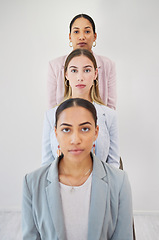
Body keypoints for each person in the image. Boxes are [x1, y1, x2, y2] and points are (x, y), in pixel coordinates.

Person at [22, 98, 133, 240]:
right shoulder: (31, 183)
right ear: (56, 133)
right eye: (66, 129)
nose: (75, 139)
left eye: (85, 129)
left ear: (96, 132)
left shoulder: (119, 182)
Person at [42, 48, 120, 167]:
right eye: (74, 70)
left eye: (87, 70)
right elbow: (46, 166)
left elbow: (114, 165)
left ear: (95, 74)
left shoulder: (109, 116)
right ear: (66, 75)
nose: (80, 77)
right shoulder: (51, 116)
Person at [47, 13, 117, 109]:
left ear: (95, 36)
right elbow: (52, 109)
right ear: (70, 37)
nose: (82, 37)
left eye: (87, 31)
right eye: (76, 32)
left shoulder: (108, 65)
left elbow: (110, 108)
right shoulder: (55, 65)